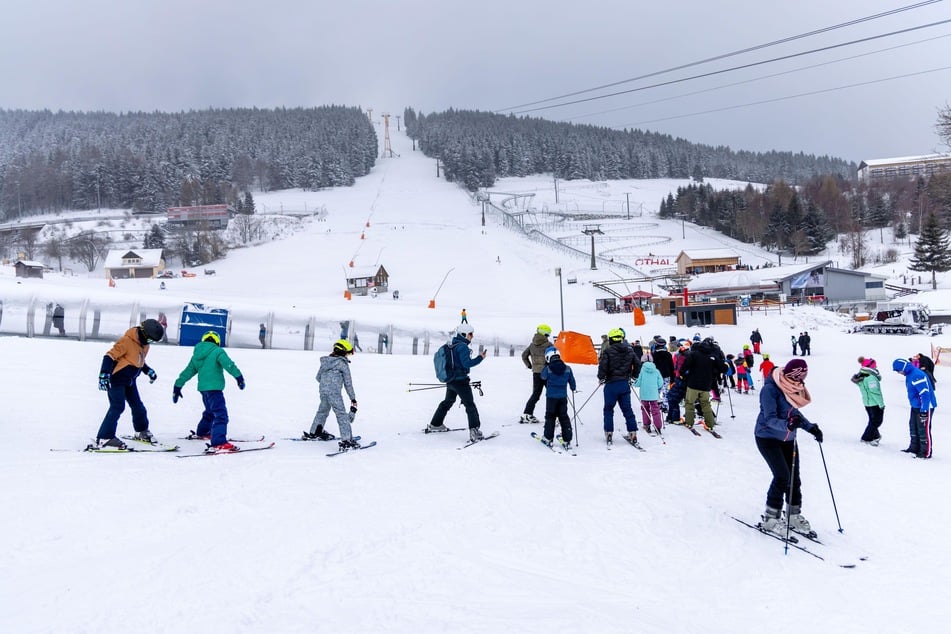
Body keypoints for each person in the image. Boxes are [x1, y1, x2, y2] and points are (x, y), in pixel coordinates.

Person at [754, 358, 823, 538]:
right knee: (782, 476)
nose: (802, 381)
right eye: (800, 377)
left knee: (794, 478)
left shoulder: (793, 388)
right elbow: (769, 418)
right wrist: (788, 425)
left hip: (788, 439)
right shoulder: (770, 389)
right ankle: (771, 518)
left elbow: (795, 414)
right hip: (767, 437)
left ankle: (793, 515)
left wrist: (810, 428)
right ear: (792, 375)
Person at [93, 319, 165, 449]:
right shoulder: (126, 341)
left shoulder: (145, 345)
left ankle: (141, 432)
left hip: (130, 381)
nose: (150, 343)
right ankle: (105, 437)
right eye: (149, 340)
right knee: (117, 406)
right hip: (116, 380)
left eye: (152, 341)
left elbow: (138, 360)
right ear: (143, 333)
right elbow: (109, 356)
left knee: (138, 407)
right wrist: (104, 374)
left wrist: (147, 370)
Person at [173, 330, 246, 454]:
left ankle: (202, 432)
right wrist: (239, 377)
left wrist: (177, 386)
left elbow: (187, 372)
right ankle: (219, 442)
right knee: (221, 414)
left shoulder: (197, 355)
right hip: (215, 389)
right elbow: (229, 365)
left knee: (210, 412)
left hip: (204, 390)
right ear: (216, 341)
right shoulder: (218, 351)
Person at [427, 323, 487, 442]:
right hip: (460, 381)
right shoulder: (463, 347)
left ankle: (436, 424)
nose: (472, 336)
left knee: (448, 401)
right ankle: (474, 432)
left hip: (451, 380)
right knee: (470, 405)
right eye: (470, 334)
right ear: (464, 334)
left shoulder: (451, 344)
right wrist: (480, 358)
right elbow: (467, 364)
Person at [306, 339, 360, 451]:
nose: (349, 355)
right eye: (349, 352)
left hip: (323, 391)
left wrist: (326, 384)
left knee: (322, 411)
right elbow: (348, 383)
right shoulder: (342, 364)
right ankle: (346, 441)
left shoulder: (326, 362)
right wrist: (353, 398)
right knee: (341, 415)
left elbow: (318, 377)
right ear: (344, 352)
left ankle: (315, 432)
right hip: (334, 393)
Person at [597, 327, 640, 444]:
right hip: (624, 384)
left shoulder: (608, 351)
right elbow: (638, 364)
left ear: (611, 339)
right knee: (627, 409)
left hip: (611, 384)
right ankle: (633, 432)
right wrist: (634, 377)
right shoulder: (630, 350)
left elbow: (602, 367)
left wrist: (601, 378)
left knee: (608, 409)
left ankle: (609, 432)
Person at [892, 357, 936, 459]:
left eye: (898, 371)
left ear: (903, 368)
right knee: (913, 426)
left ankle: (925, 452)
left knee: (923, 429)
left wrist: (924, 410)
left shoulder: (917, 375)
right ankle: (914, 448)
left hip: (925, 406)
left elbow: (925, 394)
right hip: (916, 405)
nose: (898, 373)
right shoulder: (909, 374)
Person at [680, 337, 719, 431]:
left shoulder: (694, 354)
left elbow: (685, 366)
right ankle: (710, 423)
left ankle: (689, 422)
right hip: (706, 385)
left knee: (690, 403)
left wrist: (682, 374)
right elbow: (720, 367)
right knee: (705, 404)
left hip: (693, 384)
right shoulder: (712, 356)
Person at [539, 347, 576, 447]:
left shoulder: (548, 369)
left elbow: (543, 377)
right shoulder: (567, 368)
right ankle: (567, 439)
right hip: (562, 398)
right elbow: (572, 380)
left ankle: (548, 437)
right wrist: (573, 387)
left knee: (550, 416)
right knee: (563, 417)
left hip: (551, 398)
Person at [520, 324, 552, 424]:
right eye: (547, 334)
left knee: (536, 394)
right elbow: (554, 357)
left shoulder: (532, 344)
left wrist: (529, 365)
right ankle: (553, 417)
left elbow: (524, 355)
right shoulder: (549, 345)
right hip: (547, 373)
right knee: (552, 394)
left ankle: (527, 414)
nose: (548, 336)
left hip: (536, 373)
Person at [852, 357, 884, 446]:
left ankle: (875, 436)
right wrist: (881, 404)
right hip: (874, 403)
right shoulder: (871, 378)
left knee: (873, 421)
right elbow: (875, 392)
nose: (876, 367)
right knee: (877, 421)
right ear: (870, 367)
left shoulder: (862, 375)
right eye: (874, 366)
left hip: (867, 403)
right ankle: (866, 438)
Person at [634, 358, 665, 434]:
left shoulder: (643, 371)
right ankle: (658, 427)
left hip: (644, 394)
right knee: (655, 410)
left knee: (645, 409)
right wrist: (656, 387)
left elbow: (638, 383)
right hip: (654, 394)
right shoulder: (656, 371)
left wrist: (634, 383)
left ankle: (647, 425)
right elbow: (661, 382)